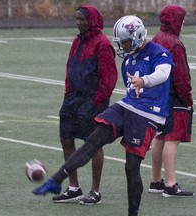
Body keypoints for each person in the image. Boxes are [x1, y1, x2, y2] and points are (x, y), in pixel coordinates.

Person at [33, 15, 173, 216]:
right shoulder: (128, 61)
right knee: (93, 139)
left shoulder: (159, 52)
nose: (122, 46)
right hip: (128, 106)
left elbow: (163, 73)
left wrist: (144, 80)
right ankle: (56, 180)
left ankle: (132, 213)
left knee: (131, 167)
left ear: (138, 36)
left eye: (125, 41)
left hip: (149, 114)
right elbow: (131, 91)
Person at [52, 5, 118, 205]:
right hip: (72, 99)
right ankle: (74, 188)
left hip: (92, 101)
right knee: (66, 139)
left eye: (81, 19)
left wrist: (98, 101)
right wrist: (67, 92)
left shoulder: (103, 44)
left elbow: (109, 78)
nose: (77, 23)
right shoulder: (76, 41)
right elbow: (69, 67)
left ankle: (95, 191)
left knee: (93, 143)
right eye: (77, 19)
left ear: (92, 21)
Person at [148, 5, 194, 197]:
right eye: (181, 20)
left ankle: (156, 180)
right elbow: (180, 76)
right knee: (172, 139)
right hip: (174, 97)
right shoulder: (174, 44)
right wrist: (187, 98)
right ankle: (170, 183)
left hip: (159, 97)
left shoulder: (156, 38)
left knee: (159, 137)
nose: (182, 24)